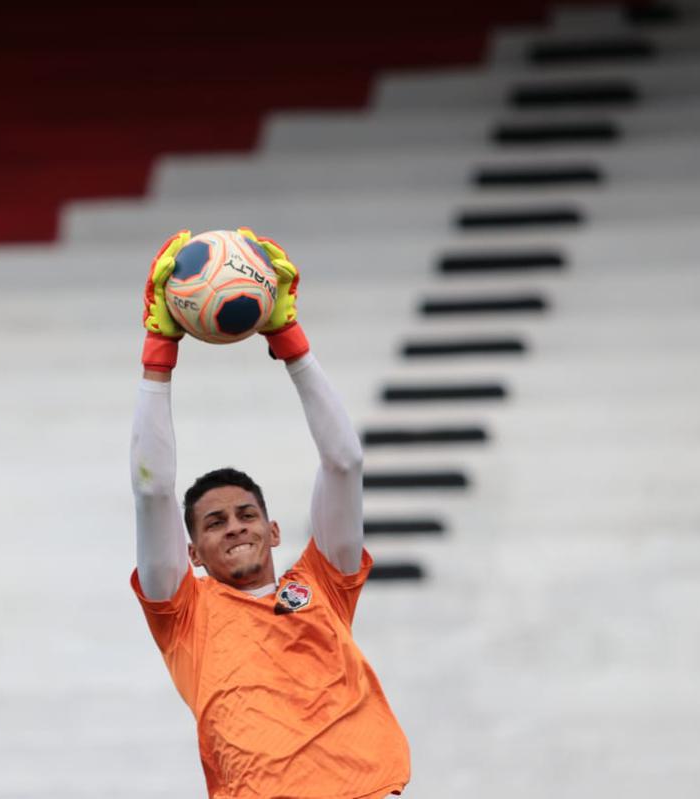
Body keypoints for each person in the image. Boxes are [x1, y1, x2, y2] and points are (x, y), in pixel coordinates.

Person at [130, 228, 411, 799]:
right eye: (215, 523)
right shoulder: (184, 616)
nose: (235, 526)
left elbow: (344, 462)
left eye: (245, 514)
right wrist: (159, 352)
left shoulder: (323, 585)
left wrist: (289, 338)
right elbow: (153, 491)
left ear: (273, 529)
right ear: (192, 554)